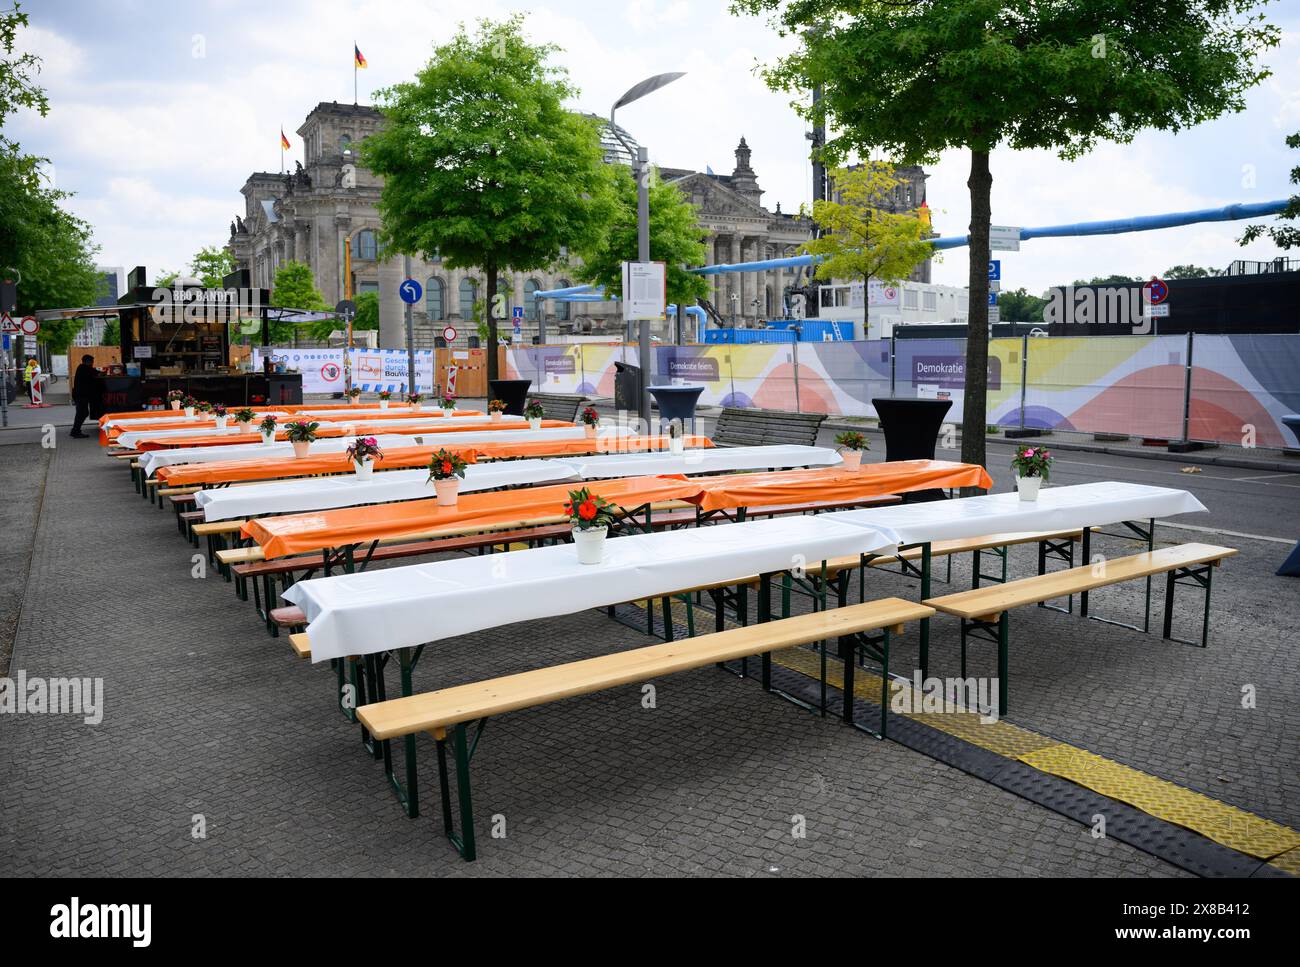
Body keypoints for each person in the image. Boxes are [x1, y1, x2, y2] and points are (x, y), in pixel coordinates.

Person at [70, 354, 102, 438]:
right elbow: (97, 373)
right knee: (82, 413)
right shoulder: (84, 368)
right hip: (81, 395)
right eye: (91, 362)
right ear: (87, 361)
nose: (92, 363)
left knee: (82, 413)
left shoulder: (82, 368)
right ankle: (75, 431)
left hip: (80, 394)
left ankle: (75, 430)